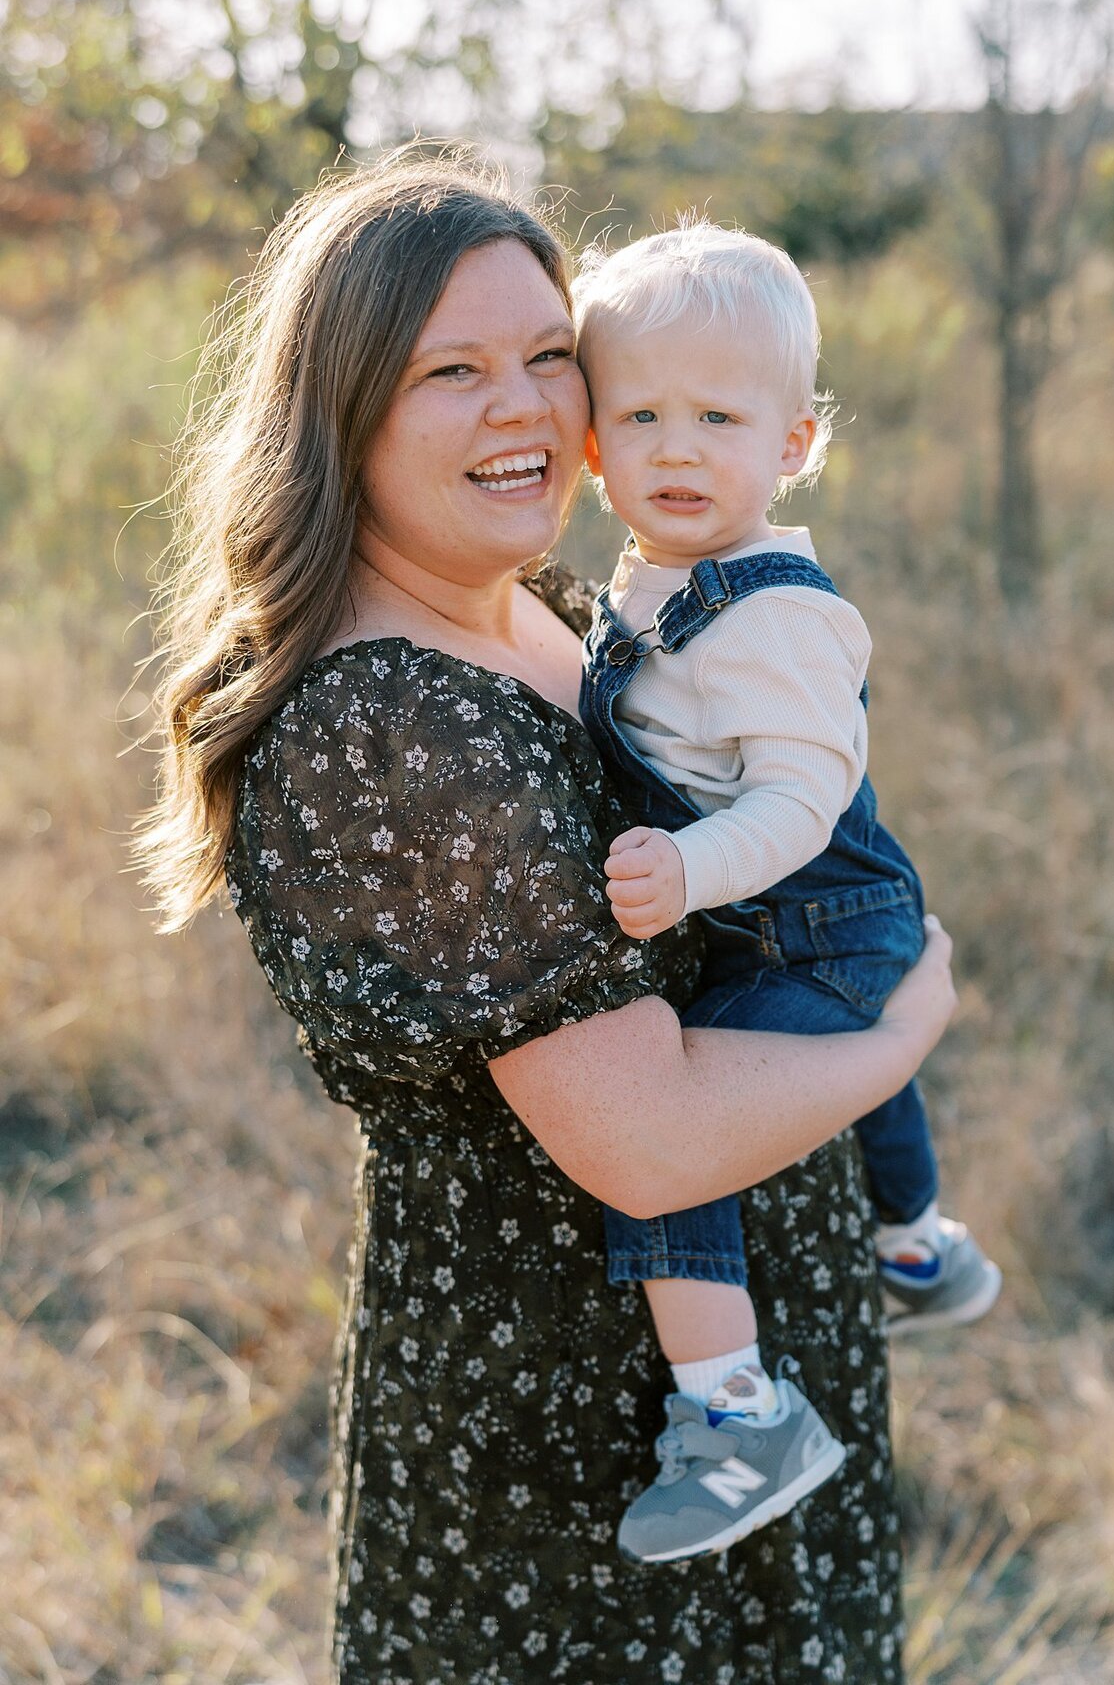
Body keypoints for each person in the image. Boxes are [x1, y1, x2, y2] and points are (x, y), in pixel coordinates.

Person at [136, 148, 957, 1685]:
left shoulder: (558, 610)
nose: (523, 406)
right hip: (574, 1447)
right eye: (454, 368)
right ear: (346, 406)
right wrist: (907, 1023)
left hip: (738, 1361)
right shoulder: (393, 724)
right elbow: (644, 1142)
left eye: (548, 357)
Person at [571, 221, 1000, 1566]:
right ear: (592, 446)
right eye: (640, 413)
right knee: (859, 1078)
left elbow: (800, 804)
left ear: (797, 441)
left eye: (718, 415)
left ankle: (739, 1411)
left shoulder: (779, 613)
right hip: (785, 922)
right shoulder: (647, 588)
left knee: (670, 1134)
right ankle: (921, 1244)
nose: (679, 447)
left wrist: (694, 866)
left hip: (815, 920)